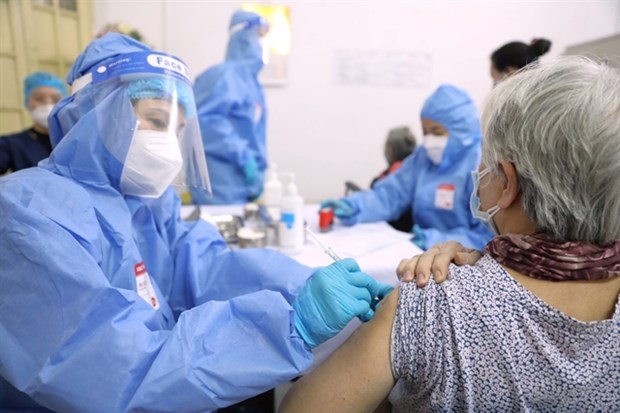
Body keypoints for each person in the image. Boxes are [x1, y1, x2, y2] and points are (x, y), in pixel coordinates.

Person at [0, 33, 393, 412]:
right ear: (98, 115)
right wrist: (291, 326)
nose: (169, 144)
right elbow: (114, 370)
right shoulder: (30, 212)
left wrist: (302, 285)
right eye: (156, 120)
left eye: (179, 130)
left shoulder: (145, 204)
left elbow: (206, 268)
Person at [280, 56, 620, 412]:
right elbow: (390, 193)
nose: (478, 174)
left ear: (508, 182)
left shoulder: (428, 302)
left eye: (485, 167)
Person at [322, 85, 493, 250]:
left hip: (462, 261)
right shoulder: (423, 157)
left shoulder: (482, 165)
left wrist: (435, 240)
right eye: (425, 132)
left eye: (437, 132)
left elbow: (488, 237)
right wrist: (355, 205)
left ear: (461, 130)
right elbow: (390, 195)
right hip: (419, 252)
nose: (429, 140)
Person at [190, 10, 270, 205]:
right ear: (242, 37)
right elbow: (206, 123)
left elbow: (252, 133)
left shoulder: (252, 83)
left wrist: (257, 170)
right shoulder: (224, 75)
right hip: (220, 183)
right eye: (257, 36)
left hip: (242, 184)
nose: (261, 44)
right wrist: (244, 157)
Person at [0, 71, 67, 174]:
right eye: (39, 99)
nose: (47, 104)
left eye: (56, 99)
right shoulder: (12, 144)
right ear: (27, 102)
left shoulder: (77, 139)